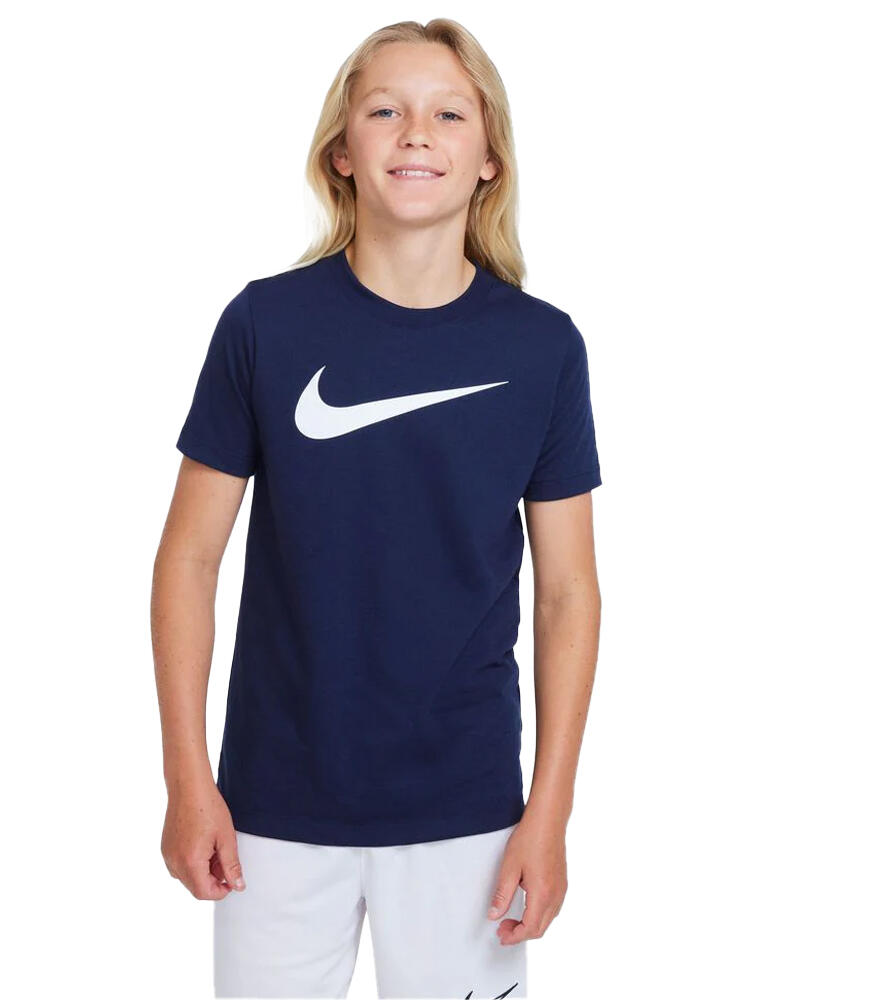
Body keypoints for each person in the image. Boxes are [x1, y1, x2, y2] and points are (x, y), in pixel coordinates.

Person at [151, 18, 603, 1000]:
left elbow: (568, 591)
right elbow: (188, 559)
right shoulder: (265, 325)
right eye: (385, 110)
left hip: (468, 815)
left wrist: (550, 812)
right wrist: (189, 779)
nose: (416, 133)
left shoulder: (542, 348)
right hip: (273, 809)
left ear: (489, 159)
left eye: (449, 114)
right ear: (342, 152)